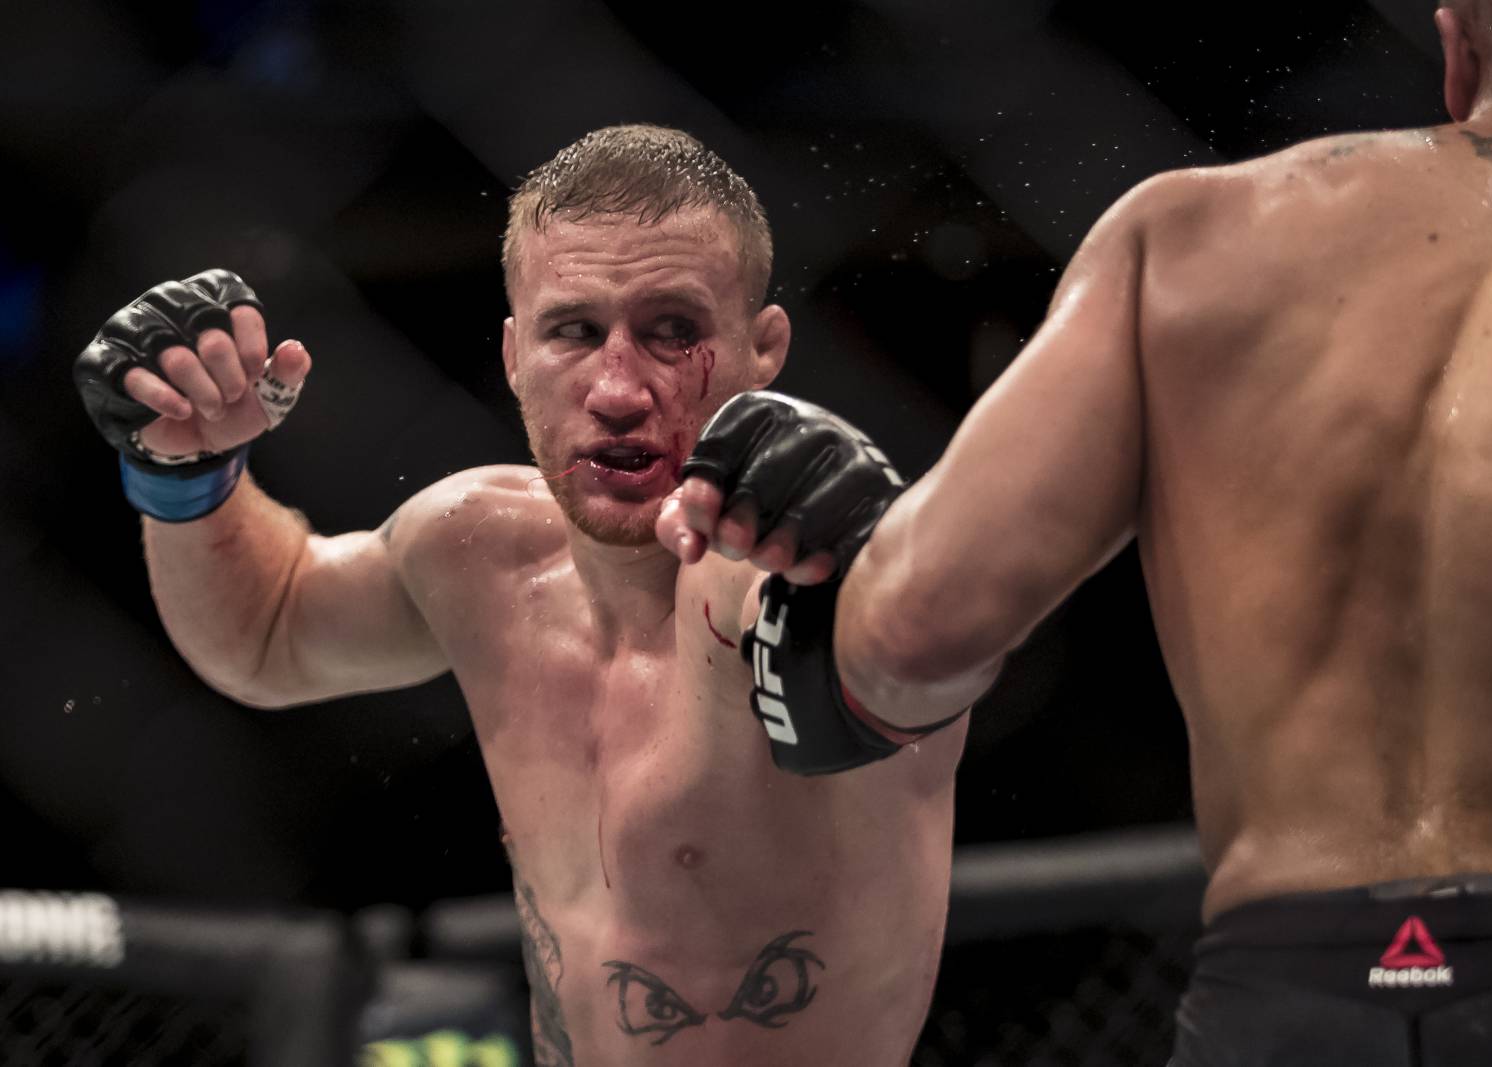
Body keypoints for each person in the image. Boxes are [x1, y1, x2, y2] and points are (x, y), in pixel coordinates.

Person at [660, 2, 1492, 1062]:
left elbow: (915, 630)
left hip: (1290, 995)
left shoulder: (1191, 235)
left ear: (1457, 53)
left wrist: (847, 547)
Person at [71, 124, 965, 1067]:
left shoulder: (781, 577)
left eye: (673, 331)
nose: (618, 389)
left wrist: (865, 557)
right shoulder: (478, 551)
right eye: (573, 331)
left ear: (763, 346)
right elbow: (266, 633)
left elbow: (919, 627)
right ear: (511, 353)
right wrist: (186, 473)